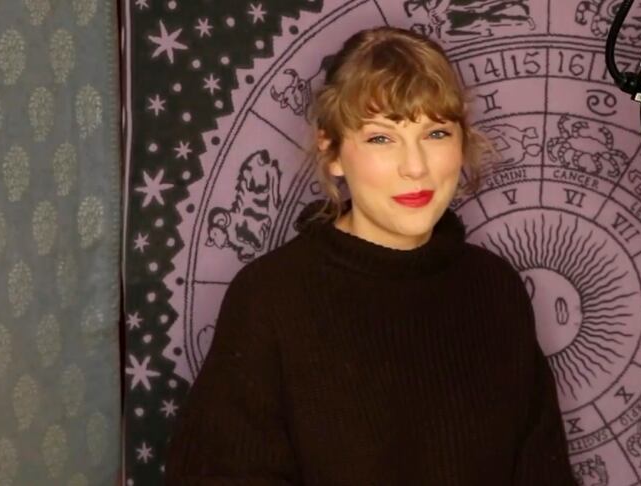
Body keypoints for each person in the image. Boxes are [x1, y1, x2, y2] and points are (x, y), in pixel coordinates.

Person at [165, 26, 577, 485]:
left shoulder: (496, 290)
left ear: (462, 142)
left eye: (436, 133)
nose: (415, 167)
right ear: (331, 149)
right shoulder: (270, 298)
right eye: (382, 138)